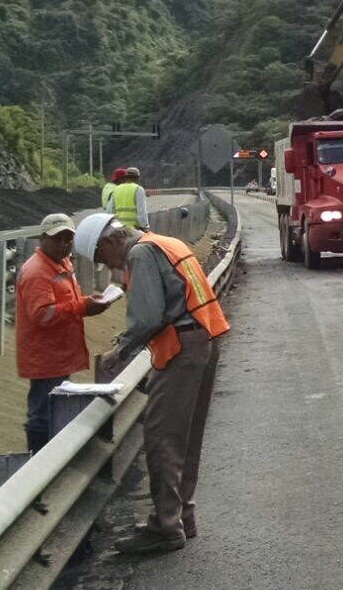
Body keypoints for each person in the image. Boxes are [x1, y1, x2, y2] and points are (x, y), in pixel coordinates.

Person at [76, 214, 230, 556]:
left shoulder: (140, 254)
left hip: (181, 348)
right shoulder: (165, 241)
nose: (107, 266)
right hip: (203, 338)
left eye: (102, 258)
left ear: (110, 242)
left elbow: (147, 317)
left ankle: (165, 527)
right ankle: (181, 516)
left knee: (161, 439)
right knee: (184, 439)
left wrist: (120, 350)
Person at [15, 214, 109, 453]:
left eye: (69, 239)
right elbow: (42, 314)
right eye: (58, 239)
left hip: (59, 352)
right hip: (45, 356)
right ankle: (38, 464)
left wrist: (88, 303)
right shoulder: (37, 271)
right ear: (43, 238)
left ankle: (49, 459)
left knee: (53, 409)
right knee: (42, 414)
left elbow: (68, 300)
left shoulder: (62, 263)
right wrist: (83, 307)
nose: (64, 244)